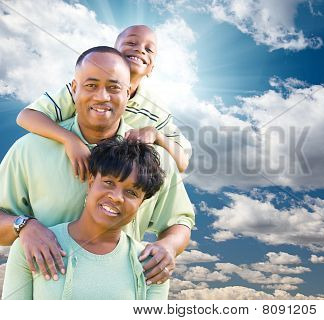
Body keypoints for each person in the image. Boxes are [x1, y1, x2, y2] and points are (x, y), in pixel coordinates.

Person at [0, 46, 194, 288]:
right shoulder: (29, 149)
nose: (102, 97)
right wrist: (24, 226)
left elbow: (180, 220)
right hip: (43, 293)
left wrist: (169, 246)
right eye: (91, 85)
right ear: (74, 88)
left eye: (114, 87)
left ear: (128, 92)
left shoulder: (155, 159)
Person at [2, 137, 170, 299]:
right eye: (109, 182)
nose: (117, 197)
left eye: (132, 192)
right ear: (90, 183)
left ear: (140, 204)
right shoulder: (32, 247)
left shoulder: (153, 266)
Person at [16, 25, 191, 178]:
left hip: (116, 179)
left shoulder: (156, 109)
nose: (140, 50)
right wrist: (70, 140)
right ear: (114, 53)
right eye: (131, 43)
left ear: (151, 68)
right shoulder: (84, 89)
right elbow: (26, 116)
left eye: (149, 49)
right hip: (65, 168)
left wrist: (156, 135)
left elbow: (182, 163)